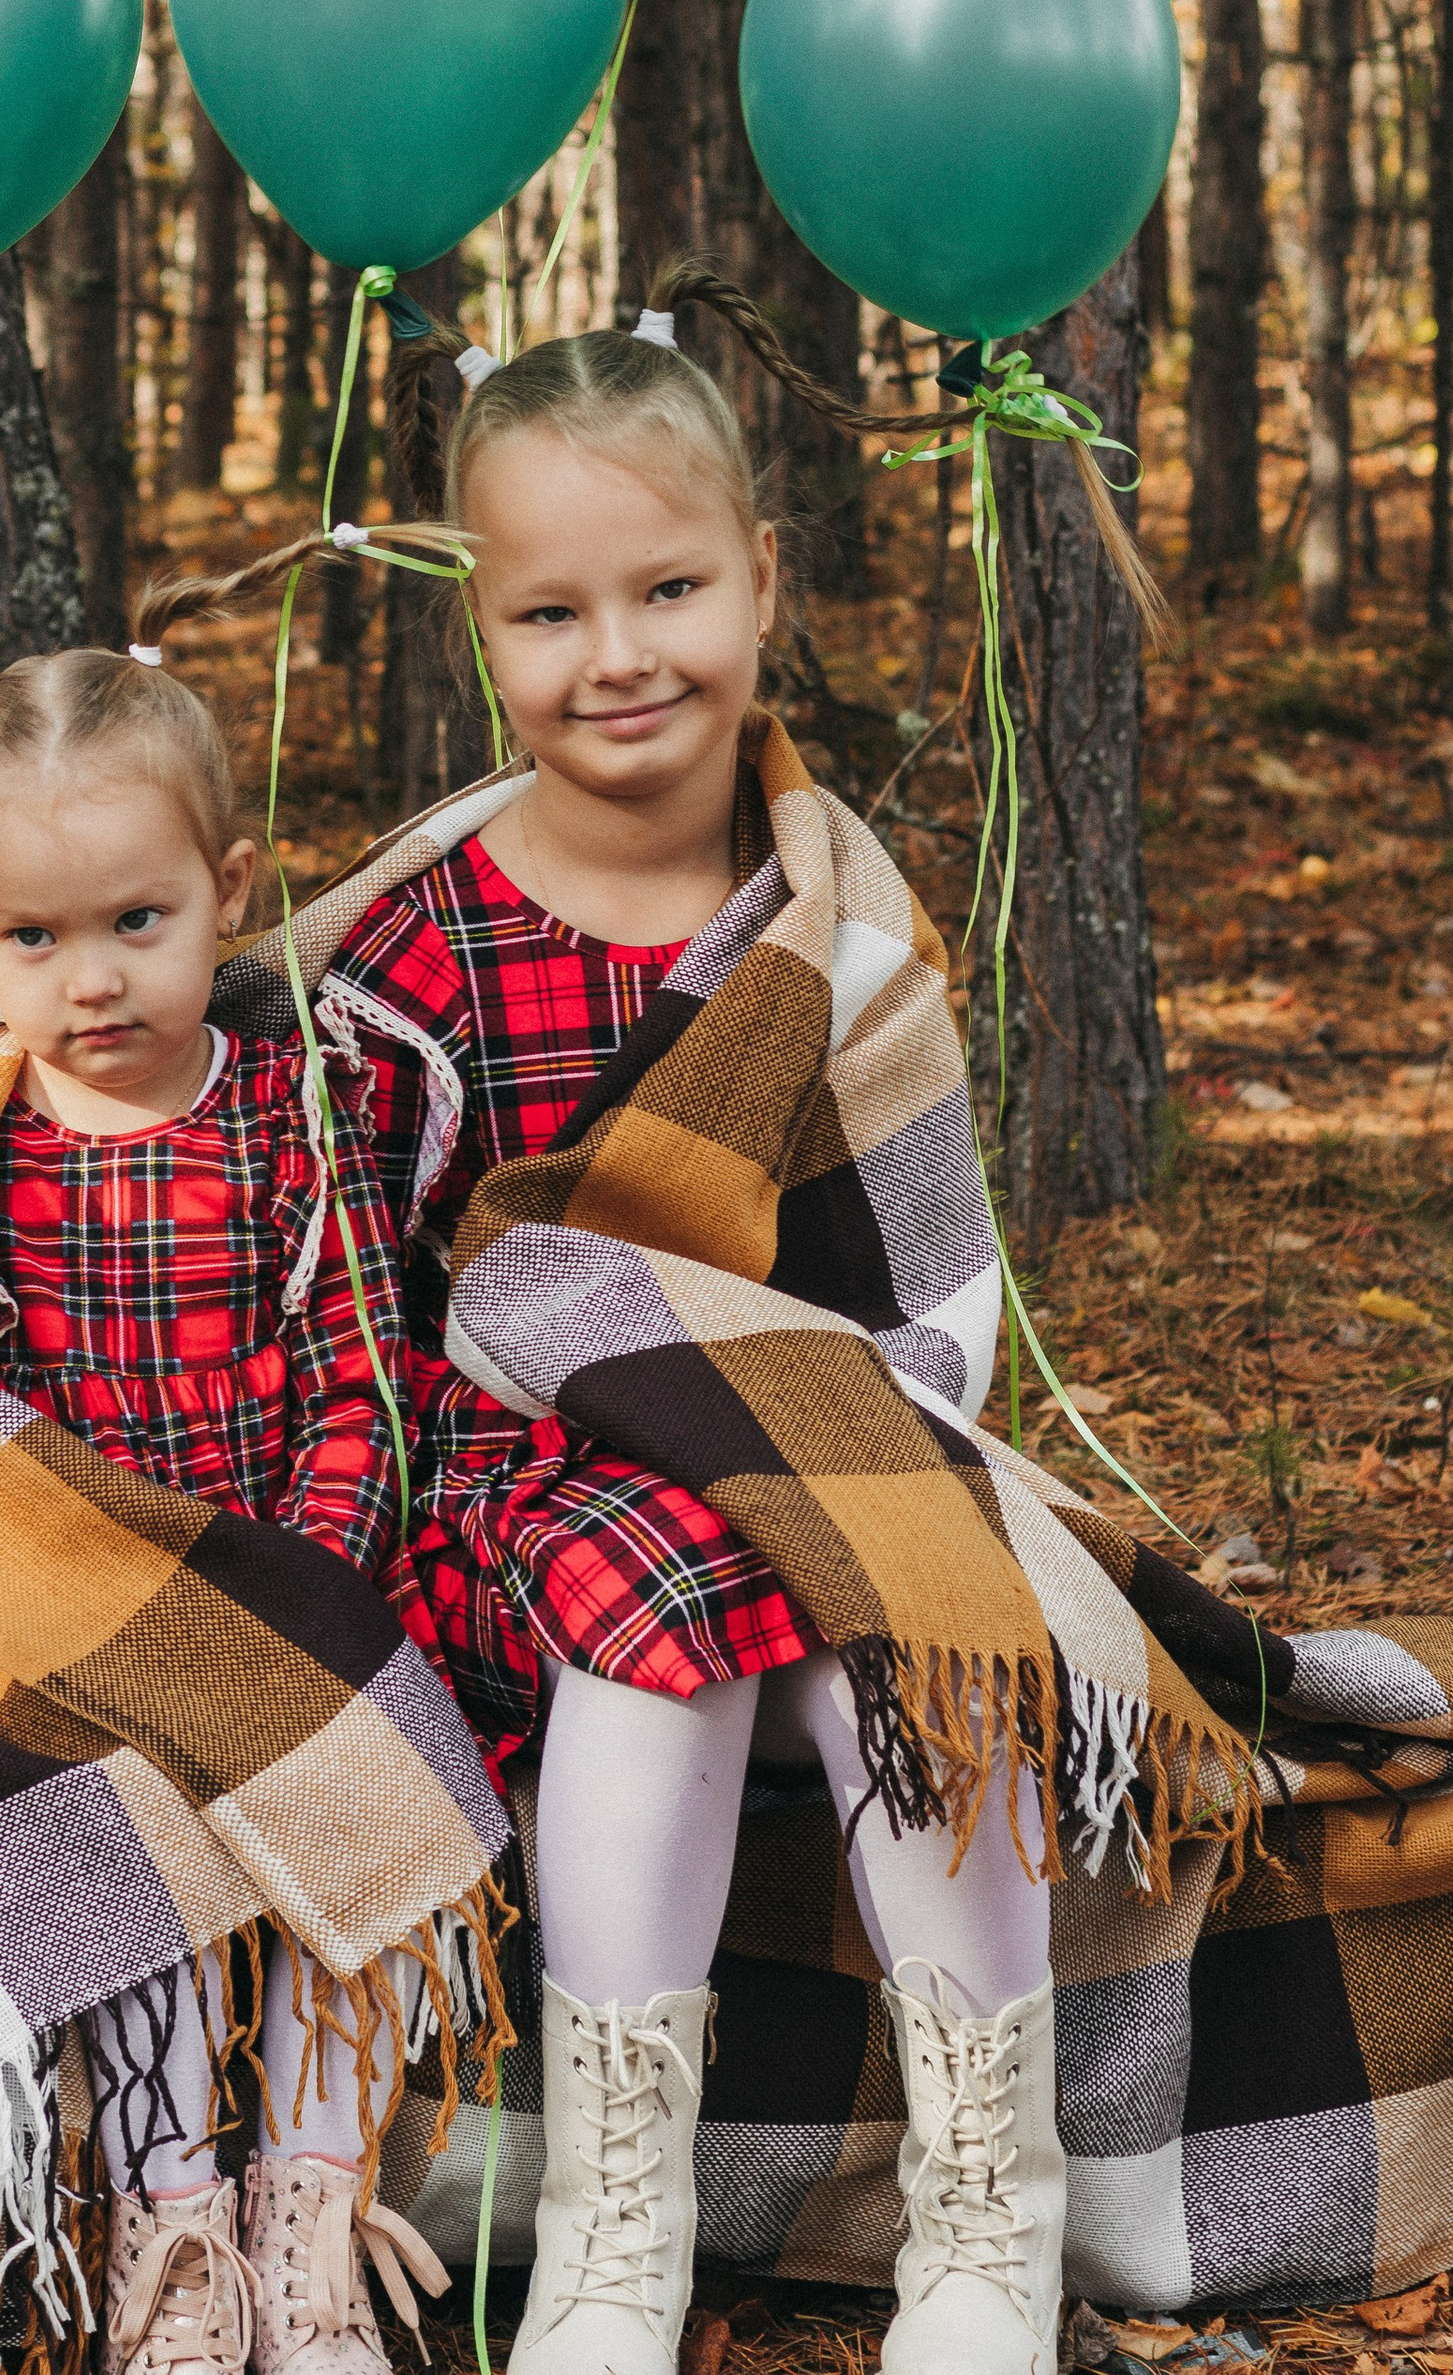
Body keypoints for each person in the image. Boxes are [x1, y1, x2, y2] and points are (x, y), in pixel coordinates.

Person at [327, 275, 1068, 2375]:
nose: (618, 655)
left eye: (665, 588)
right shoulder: (419, 946)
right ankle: (608, 2230)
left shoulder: (826, 917)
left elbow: (924, 1284)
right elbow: (379, 1313)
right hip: (522, 1474)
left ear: (759, 576)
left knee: (915, 1626)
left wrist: (826, 1471)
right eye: (547, 612)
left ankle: (987, 2210)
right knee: (648, 1614)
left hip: (818, 1429)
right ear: (477, 632)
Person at [0, 599, 456, 2375]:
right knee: (110, 1856)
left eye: (139, 920)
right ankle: (172, 2215)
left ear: (231, 889)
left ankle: (315, 2205)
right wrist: (65, 1606)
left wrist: (304, 1587)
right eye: (35, 936)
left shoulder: (296, 1116)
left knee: (364, 1831)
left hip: (287, 1573)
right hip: (80, 1599)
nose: (93, 979)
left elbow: (361, 1377)